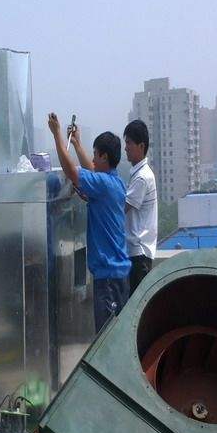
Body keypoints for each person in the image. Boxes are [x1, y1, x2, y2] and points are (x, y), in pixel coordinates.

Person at [47, 113, 130, 333]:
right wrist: (76, 144)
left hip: (108, 277)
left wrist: (56, 134)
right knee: (114, 335)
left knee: (107, 337)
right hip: (117, 275)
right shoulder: (115, 183)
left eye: (95, 155)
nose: (92, 159)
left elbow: (71, 172)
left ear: (104, 156)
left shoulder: (103, 184)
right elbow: (92, 171)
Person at [123, 120, 158, 293]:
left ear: (141, 146)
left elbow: (122, 208)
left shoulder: (142, 178)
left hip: (139, 255)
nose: (126, 148)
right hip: (137, 254)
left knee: (136, 303)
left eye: (129, 143)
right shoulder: (139, 174)